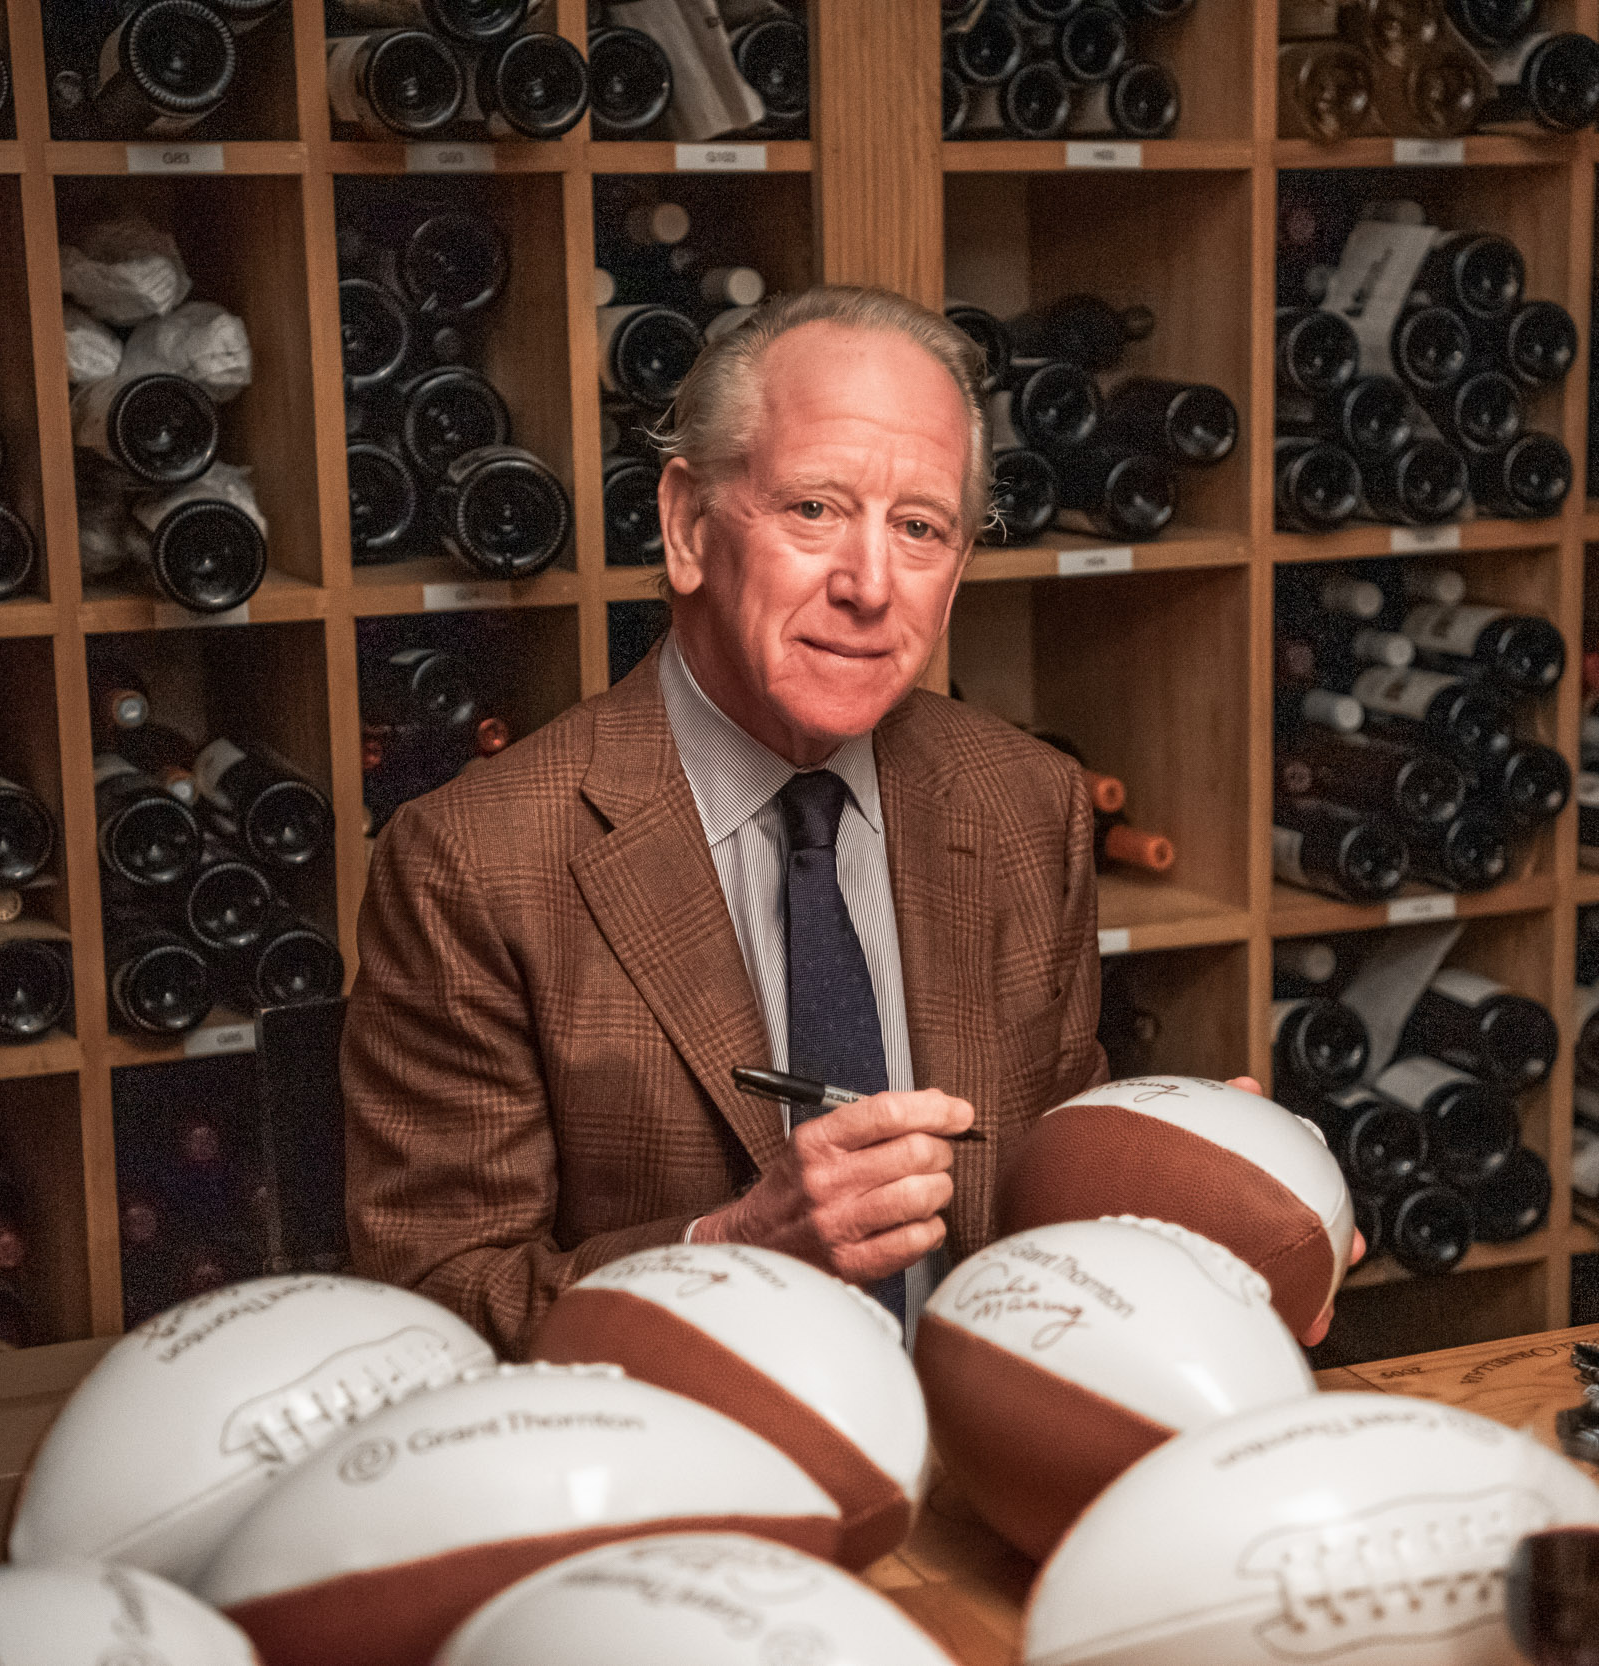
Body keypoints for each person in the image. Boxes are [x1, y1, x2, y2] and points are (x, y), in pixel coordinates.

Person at [343, 285, 1349, 1355]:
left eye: (919, 528)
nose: (870, 586)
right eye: (814, 509)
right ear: (686, 525)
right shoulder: (474, 862)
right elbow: (435, 1310)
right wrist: (730, 1251)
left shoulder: (1025, 802)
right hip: (688, 1444)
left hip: (977, 1428)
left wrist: (1181, 1199)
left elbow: (1041, 1200)